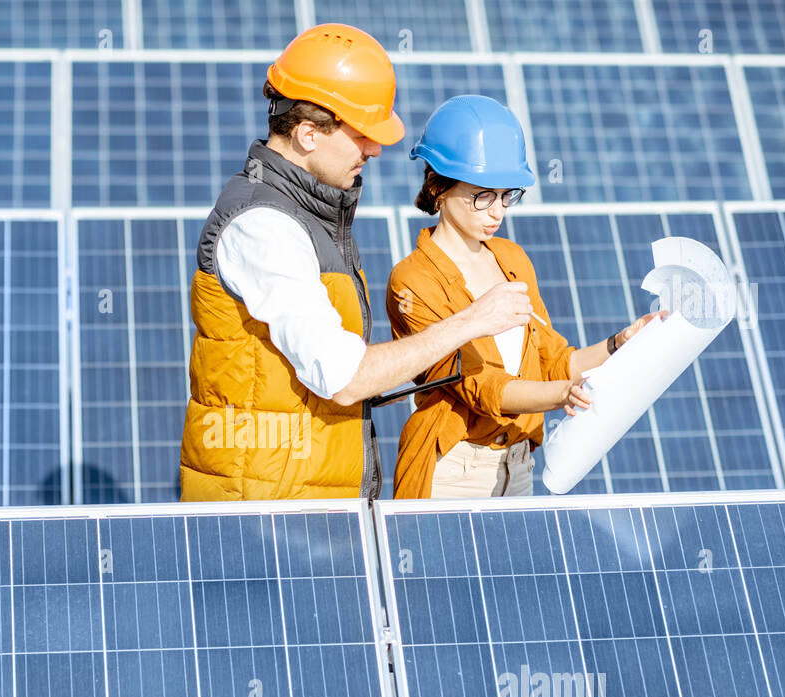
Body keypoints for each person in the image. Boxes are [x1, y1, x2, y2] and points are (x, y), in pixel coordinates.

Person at [179, 26, 532, 501]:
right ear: (307, 134)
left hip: (299, 502)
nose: (375, 149)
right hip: (266, 519)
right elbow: (344, 376)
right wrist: (471, 321)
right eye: (363, 134)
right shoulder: (264, 226)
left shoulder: (314, 215)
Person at [386, 95, 665, 499]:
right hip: (452, 472)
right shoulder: (412, 281)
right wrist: (561, 397)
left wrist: (618, 344)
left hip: (517, 467)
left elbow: (553, 362)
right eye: (483, 195)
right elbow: (481, 387)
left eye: (507, 195)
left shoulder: (513, 259)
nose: (497, 211)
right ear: (438, 186)